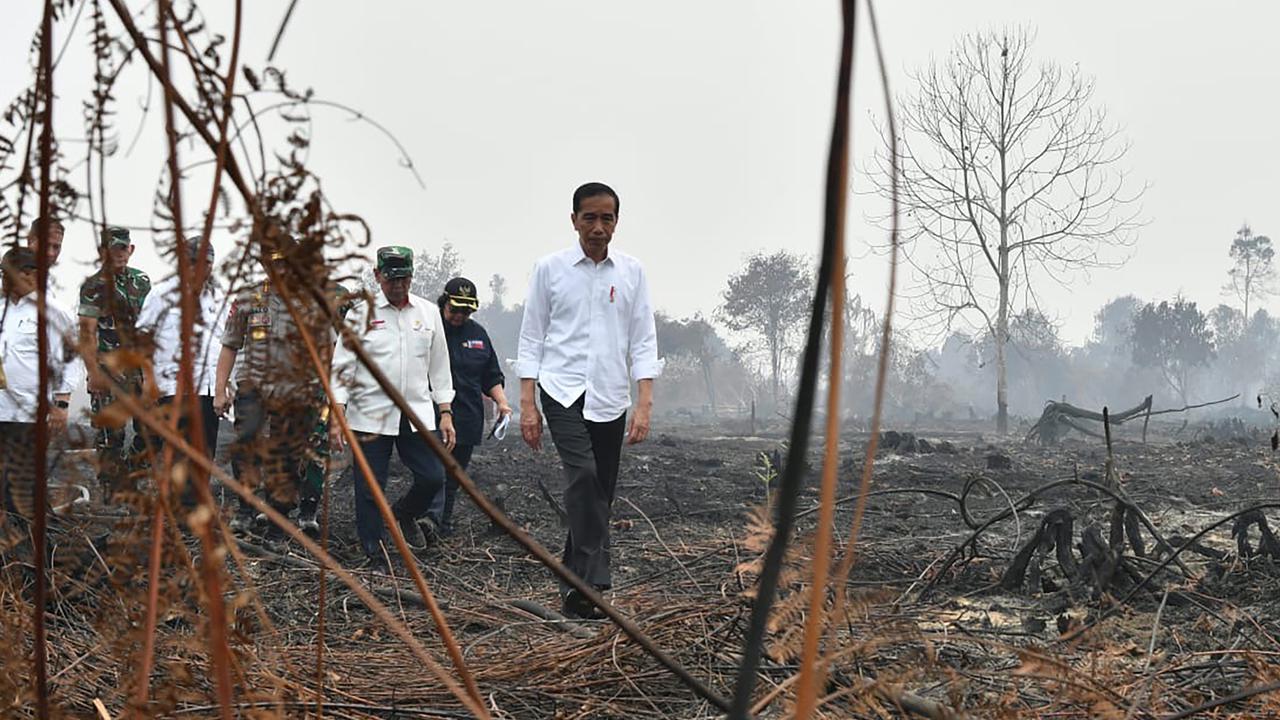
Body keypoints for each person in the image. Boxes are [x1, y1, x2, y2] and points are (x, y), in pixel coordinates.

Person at [516, 182, 661, 619]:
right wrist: (527, 403)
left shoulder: (632, 272)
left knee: (599, 493)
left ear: (617, 222)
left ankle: (573, 591)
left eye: (607, 218)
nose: (598, 228)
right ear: (574, 219)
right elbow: (532, 336)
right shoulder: (550, 269)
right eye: (590, 218)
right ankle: (597, 581)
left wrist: (644, 402)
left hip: (610, 395)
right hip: (561, 390)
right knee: (582, 478)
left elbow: (643, 340)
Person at [330, 246, 456, 569]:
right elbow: (342, 366)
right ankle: (374, 553)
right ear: (377, 276)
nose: (397, 286)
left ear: (411, 277)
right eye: (390, 279)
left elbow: (440, 367)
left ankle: (401, 515)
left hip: (417, 415)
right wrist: (337, 411)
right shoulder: (360, 314)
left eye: (403, 279)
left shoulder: (428, 314)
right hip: (370, 415)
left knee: (433, 477)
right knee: (370, 486)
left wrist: (445, 411)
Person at [214, 242, 330, 539]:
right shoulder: (248, 297)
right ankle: (245, 510)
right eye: (270, 263)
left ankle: (279, 518)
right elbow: (230, 344)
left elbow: (326, 349)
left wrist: (326, 392)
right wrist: (219, 388)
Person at [0, 247, 77, 538]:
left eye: (9, 275)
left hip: (30, 412)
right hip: (0, 408)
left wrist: (61, 403)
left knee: (22, 486)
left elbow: (70, 360)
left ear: (31, 274)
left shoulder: (52, 311)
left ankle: (41, 549)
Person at [429, 276, 512, 535]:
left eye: (466, 311)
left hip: (467, 417)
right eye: (455, 309)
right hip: (432, 415)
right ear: (444, 304)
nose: (459, 316)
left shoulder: (478, 334)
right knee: (433, 472)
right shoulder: (431, 330)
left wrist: (502, 402)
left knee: (454, 475)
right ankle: (427, 519)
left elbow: (491, 375)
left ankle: (442, 524)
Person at [135, 240, 227, 472]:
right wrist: (148, 381)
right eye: (193, 262)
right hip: (173, 388)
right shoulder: (161, 294)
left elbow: (229, 342)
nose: (200, 268)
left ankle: (198, 504)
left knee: (204, 454)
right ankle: (179, 506)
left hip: (207, 389)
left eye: (206, 263)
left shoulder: (219, 296)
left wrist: (223, 386)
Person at [78, 226, 151, 500]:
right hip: (109, 371)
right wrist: (93, 372)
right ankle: (112, 494)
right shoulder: (93, 286)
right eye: (113, 249)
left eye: (123, 248)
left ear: (131, 250)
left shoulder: (142, 281)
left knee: (150, 429)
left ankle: (134, 474)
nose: (119, 254)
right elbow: (87, 332)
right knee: (111, 434)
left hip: (139, 368)